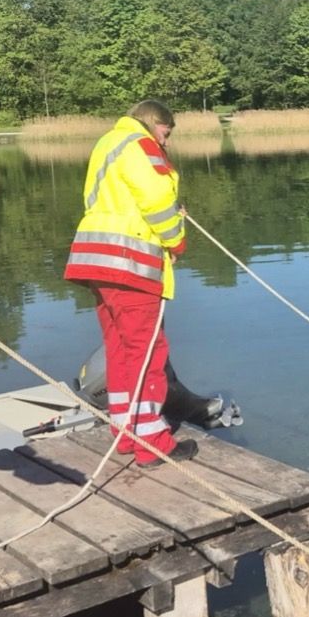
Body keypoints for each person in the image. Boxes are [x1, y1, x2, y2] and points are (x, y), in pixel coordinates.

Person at [64, 99, 197, 468]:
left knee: (119, 349)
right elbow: (155, 200)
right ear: (154, 124)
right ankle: (153, 442)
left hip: (96, 261)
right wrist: (176, 239)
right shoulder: (141, 145)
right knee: (146, 351)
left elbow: (106, 200)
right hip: (130, 264)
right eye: (165, 134)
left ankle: (125, 432)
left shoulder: (107, 142)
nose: (165, 143)